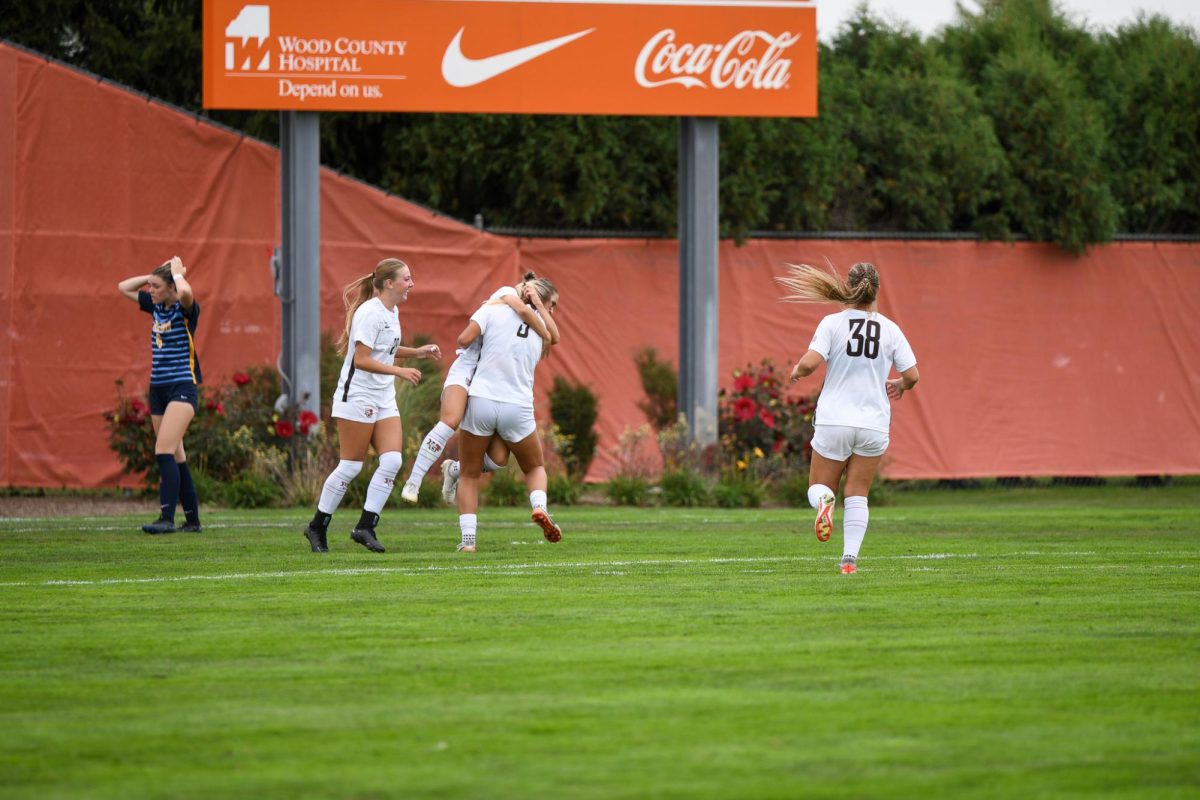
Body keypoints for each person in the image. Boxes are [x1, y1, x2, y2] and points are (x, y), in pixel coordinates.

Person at [776, 261, 920, 574]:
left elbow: (811, 362)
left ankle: (825, 502)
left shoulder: (833, 323)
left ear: (847, 287)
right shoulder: (891, 330)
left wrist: (798, 371)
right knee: (857, 494)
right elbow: (912, 375)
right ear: (877, 291)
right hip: (873, 424)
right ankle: (849, 562)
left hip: (834, 420)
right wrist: (900, 384)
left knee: (817, 487)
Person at [302, 258, 441, 554]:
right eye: (406, 278)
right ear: (388, 283)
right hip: (357, 396)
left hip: (382, 397)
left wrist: (417, 352)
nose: (411, 284)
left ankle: (365, 526)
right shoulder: (369, 313)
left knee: (392, 461)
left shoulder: (393, 311)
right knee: (351, 465)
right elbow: (361, 359)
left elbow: (386, 349)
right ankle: (317, 526)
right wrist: (400, 371)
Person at [400, 274, 558, 505]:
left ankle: (454, 470)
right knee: (450, 421)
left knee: (499, 459)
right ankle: (413, 482)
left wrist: (542, 327)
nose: (552, 310)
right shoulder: (507, 294)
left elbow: (554, 335)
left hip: (489, 385)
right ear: (535, 293)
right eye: (551, 304)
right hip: (467, 370)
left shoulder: (531, 320)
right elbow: (466, 338)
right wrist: (542, 330)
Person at [453, 275, 562, 552]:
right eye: (554, 305)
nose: (554, 312)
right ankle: (539, 507)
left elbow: (464, 339)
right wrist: (538, 306)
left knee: (468, 473)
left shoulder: (492, 309)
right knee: (534, 467)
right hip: (518, 406)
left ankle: (468, 542)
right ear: (541, 300)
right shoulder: (542, 332)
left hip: (482, 398)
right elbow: (554, 335)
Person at [117, 257, 204, 535]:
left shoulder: (185, 308)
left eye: (156, 287)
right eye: (150, 287)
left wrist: (176, 276)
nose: (150, 291)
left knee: (163, 450)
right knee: (177, 455)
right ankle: (192, 522)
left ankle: (166, 518)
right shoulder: (156, 307)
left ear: (171, 289)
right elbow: (123, 287)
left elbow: (187, 293)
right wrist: (152, 275)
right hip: (158, 390)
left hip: (182, 388)